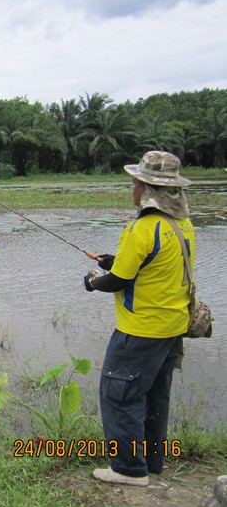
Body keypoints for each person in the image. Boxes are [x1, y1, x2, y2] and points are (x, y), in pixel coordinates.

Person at [82, 150, 194, 486]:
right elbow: (156, 264)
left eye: (135, 184)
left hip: (140, 331)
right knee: (154, 395)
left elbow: (118, 280)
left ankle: (129, 469)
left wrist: (92, 282)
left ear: (147, 190)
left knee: (120, 394)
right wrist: (113, 259)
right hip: (173, 327)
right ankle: (152, 461)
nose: (132, 189)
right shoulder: (183, 225)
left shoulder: (141, 228)